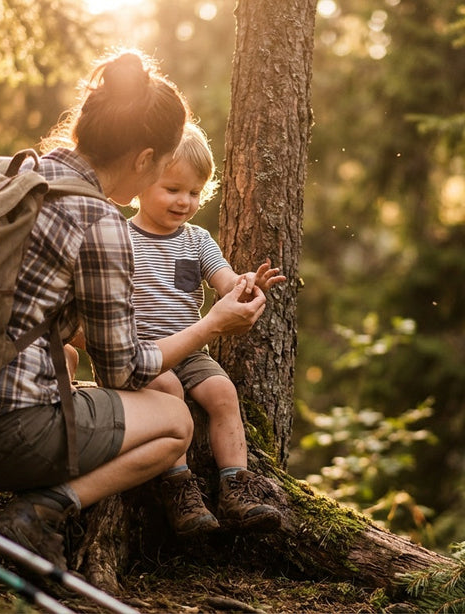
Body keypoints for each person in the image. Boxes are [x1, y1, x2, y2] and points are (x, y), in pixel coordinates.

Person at [0, 50, 267, 569]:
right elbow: (124, 370)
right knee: (174, 416)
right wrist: (214, 324)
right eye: (162, 169)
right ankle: (39, 513)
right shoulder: (99, 220)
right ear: (143, 158)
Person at [127, 122, 286, 536]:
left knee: (222, 392)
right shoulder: (121, 236)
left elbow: (224, 279)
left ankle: (236, 486)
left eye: (195, 192)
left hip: (193, 351)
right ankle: (179, 488)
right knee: (168, 392)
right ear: (142, 182)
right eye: (173, 189)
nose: (185, 201)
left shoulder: (197, 241)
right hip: (145, 352)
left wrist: (246, 285)